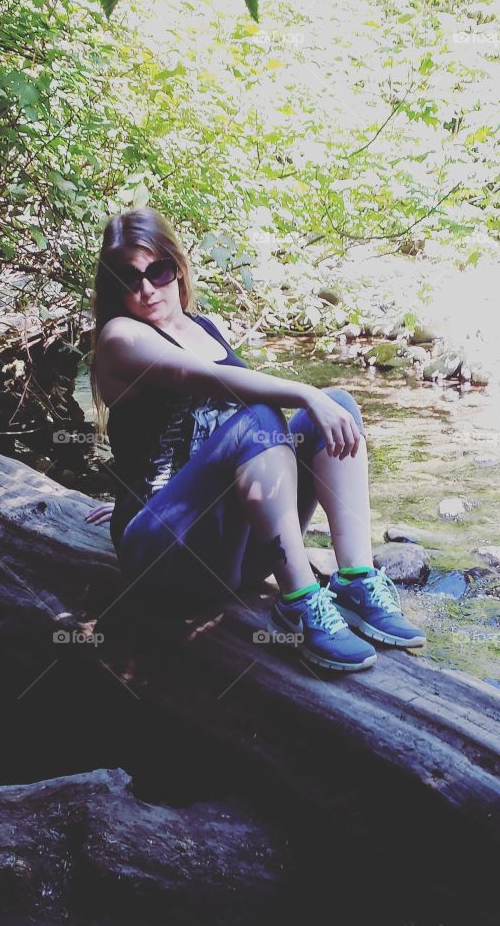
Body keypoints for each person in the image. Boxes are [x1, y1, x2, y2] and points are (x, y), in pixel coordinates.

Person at [84, 207, 425, 673]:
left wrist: (318, 401)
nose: (145, 289)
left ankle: (355, 576)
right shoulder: (120, 336)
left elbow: (207, 439)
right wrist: (303, 392)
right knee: (260, 418)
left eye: (157, 271)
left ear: (176, 268)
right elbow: (201, 379)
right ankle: (300, 602)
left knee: (338, 402)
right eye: (127, 278)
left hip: (232, 554)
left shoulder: (205, 327)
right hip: (163, 559)